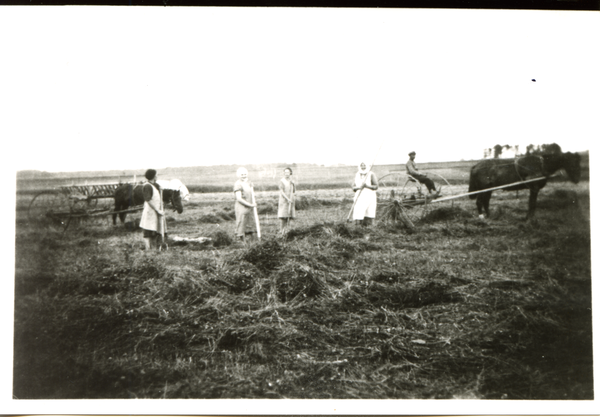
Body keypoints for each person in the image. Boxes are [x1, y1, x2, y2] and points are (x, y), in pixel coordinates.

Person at [139, 169, 166, 250]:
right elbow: (149, 200)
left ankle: (155, 248)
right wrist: (157, 210)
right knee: (148, 230)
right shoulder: (147, 186)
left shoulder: (154, 185)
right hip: (150, 211)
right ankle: (148, 249)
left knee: (155, 229)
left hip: (156, 211)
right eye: (156, 175)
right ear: (153, 176)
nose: (157, 176)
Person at [233, 167, 257, 243]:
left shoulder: (248, 183)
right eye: (242, 174)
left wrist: (251, 205)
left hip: (249, 207)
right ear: (238, 175)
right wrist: (250, 205)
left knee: (249, 223)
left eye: (245, 174)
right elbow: (239, 198)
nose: (244, 176)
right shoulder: (238, 184)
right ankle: (240, 242)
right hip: (242, 207)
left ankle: (250, 242)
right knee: (242, 223)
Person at [352, 162, 378, 227]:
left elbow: (376, 186)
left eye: (364, 166)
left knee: (369, 211)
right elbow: (353, 187)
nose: (363, 167)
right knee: (358, 210)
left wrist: (367, 186)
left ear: (367, 166)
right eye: (361, 165)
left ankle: (369, 227)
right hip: (359, 196)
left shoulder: (371, 174)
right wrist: (358, 187)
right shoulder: (357, 174)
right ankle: (358, 227)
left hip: (369, 196)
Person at [277, 167, 296, 234]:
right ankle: (282, 232)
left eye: (288, 172)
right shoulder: (281, 181)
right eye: (285, 172)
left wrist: (291, 199)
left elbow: (293, 191)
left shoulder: (291, 181)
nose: (286, 174)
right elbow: (281, 192)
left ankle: (291, 232)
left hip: (291, 201)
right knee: (283, 217)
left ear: (290, 173)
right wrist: (288, 199)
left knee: (291, 217)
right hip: (284, 201)